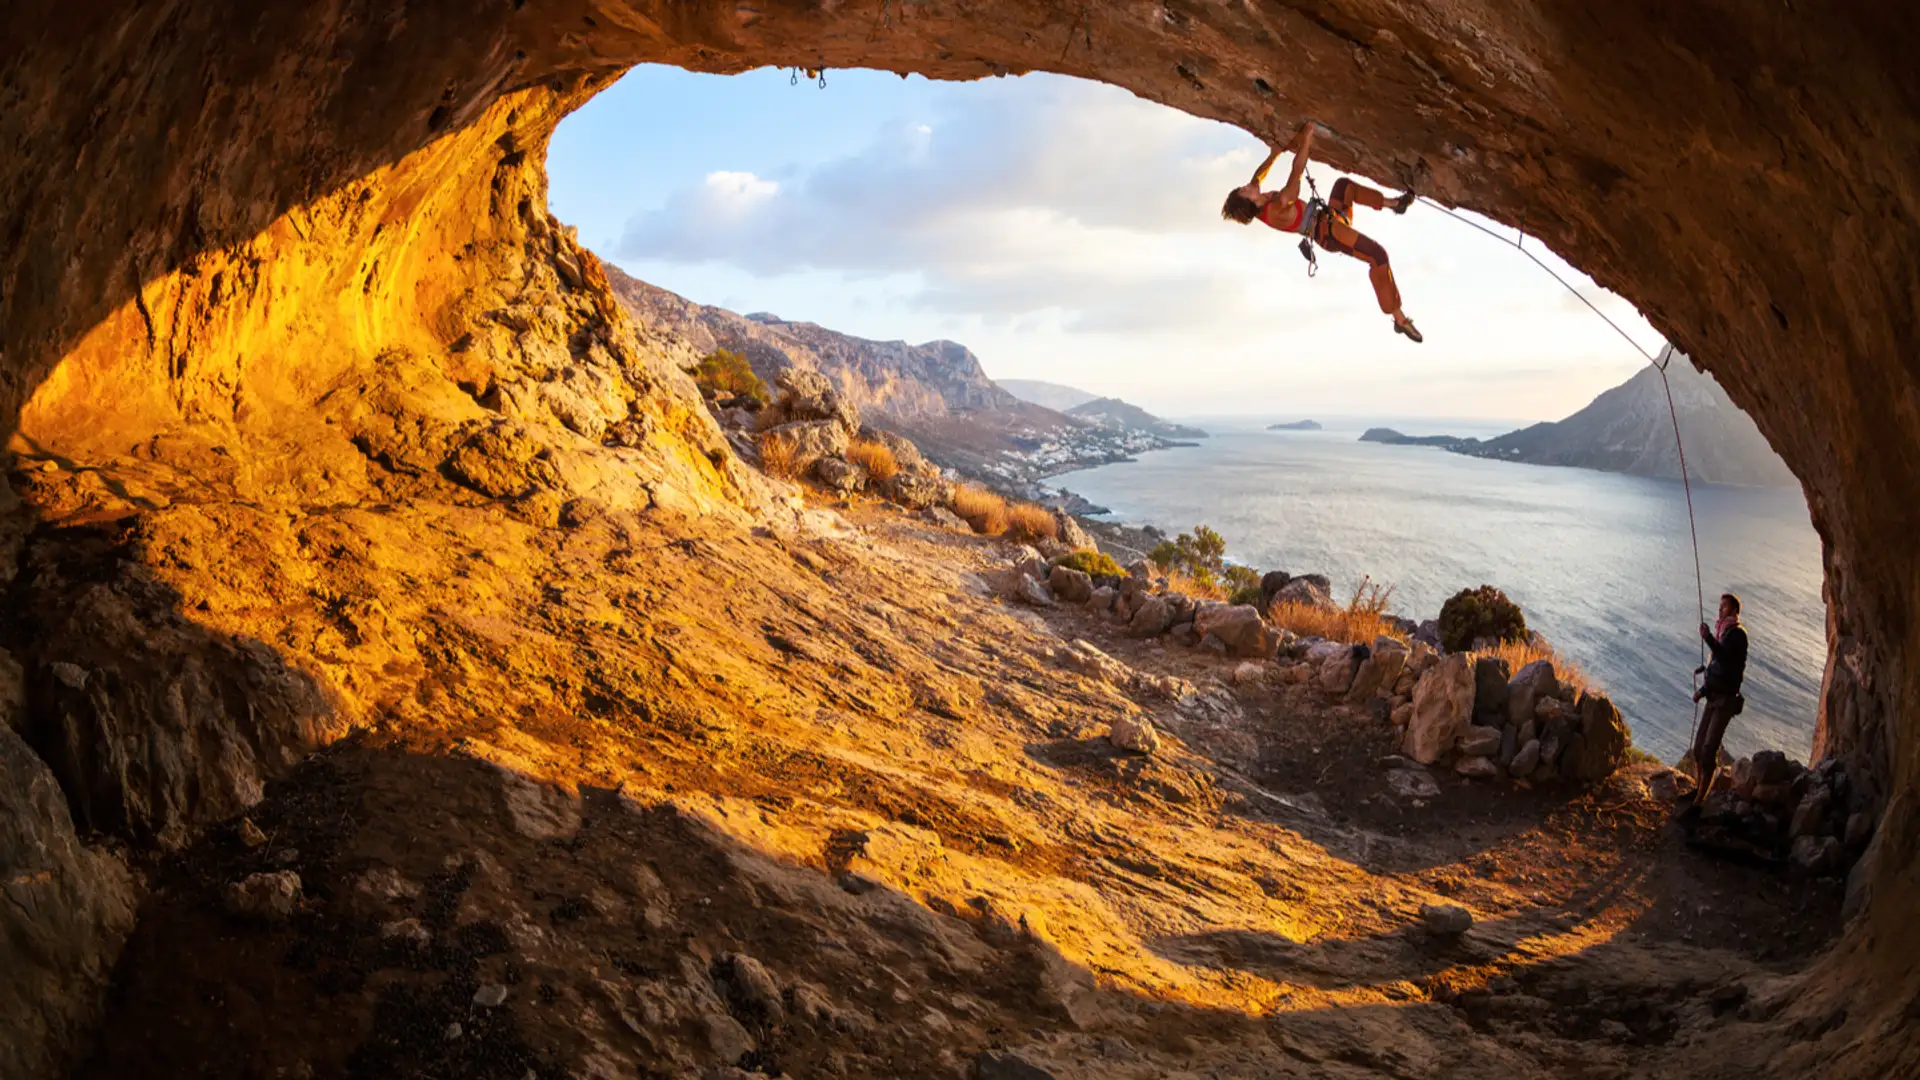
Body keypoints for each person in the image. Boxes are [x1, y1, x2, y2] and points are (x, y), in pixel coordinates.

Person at [1220, 120, 1423, 342]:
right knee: (1378, 255)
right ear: (1248, 201)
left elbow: (1257, 177)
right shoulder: (1275, 209)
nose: (1246, 186)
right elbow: (1296, 173)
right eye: (1243, 191)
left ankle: (1395, 204)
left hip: (1332, 217)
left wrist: (1274, 154)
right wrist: (1306, 139)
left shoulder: (1259, 200)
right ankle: (1399, 318)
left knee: (1343, 186)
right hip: (1330, 234)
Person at [1688, 592, 1749, 802]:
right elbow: (1715, 670)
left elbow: (1724, 659)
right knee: (1698, 747)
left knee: (1708, 749)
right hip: (1714, 696)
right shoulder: (1724, 632)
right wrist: (1702, 691)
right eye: (1720, 606)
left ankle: (1700, 800)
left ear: (1734, 610)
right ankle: (1699, 789)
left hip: (1725, 701)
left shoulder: (1737, 635)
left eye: (1724, 606)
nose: (1720, 609)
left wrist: (1708, 638)